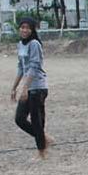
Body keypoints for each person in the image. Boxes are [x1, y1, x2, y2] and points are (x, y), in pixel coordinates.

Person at [11, 17, 53, 159]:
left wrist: (25, 89)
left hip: (38, 87)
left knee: (36, 119)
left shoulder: (34, 44)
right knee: (19, 119)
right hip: (28, 87)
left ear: (32, 30)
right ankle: (44, 138)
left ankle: (42, 151)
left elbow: (34, 67)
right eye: (22, 27)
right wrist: (14, 87)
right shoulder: (21, 45)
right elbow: (21, 67)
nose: (24, 30)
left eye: (27, 27)